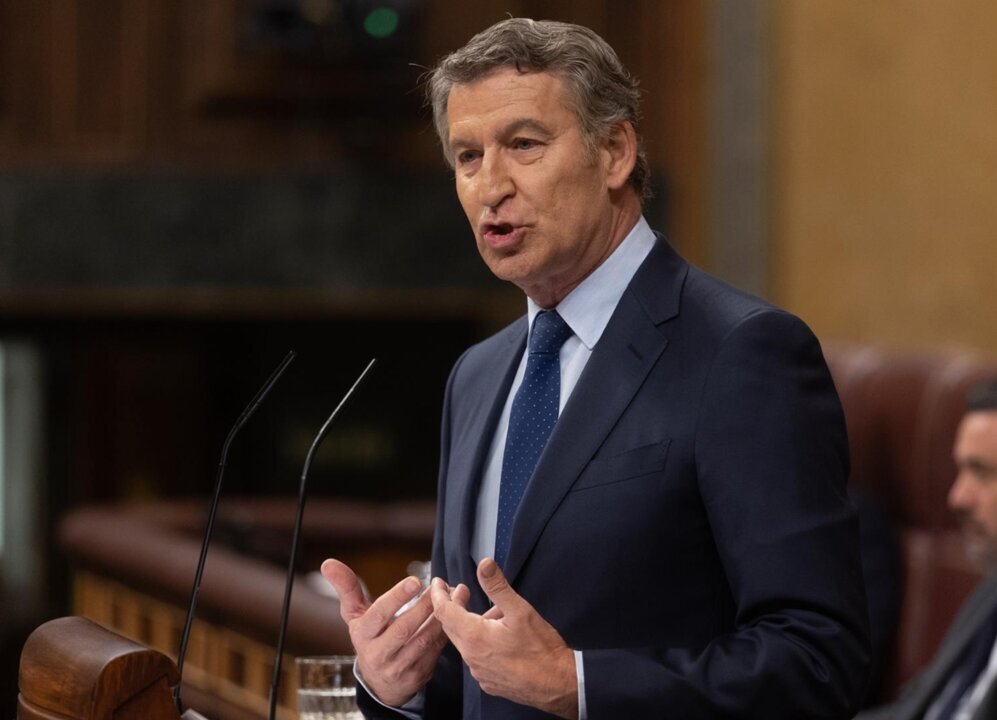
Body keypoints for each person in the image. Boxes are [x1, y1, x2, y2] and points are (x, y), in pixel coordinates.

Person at [322, 17, 870, 719]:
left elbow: (818, 661)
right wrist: (398, 684)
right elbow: (481, 670)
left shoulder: (742, 353)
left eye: (524, 145)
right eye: (467, 156)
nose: (490, 186)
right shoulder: (476, 376)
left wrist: (578, 683)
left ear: (614, 152)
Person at [857, 379, 997, 720]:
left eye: (982, 472)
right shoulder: (989, 592)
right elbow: (911, 710)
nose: (957, 498)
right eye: (961, 469)